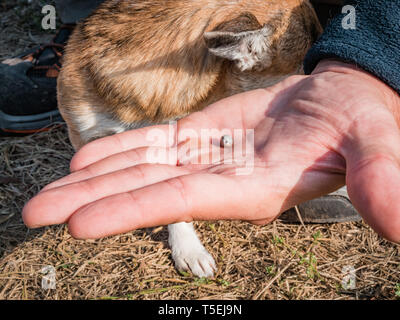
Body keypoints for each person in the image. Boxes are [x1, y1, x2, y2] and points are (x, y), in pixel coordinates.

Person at [13, 1, 400, 241]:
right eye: (300, 67)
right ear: (243, 50)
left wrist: (358, 70)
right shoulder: (83, 82)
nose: (307, 75)